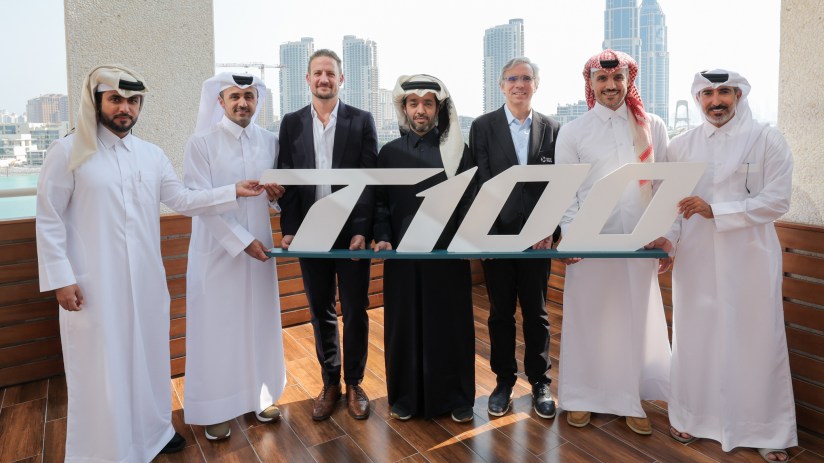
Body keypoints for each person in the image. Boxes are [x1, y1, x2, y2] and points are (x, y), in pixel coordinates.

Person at [35, 65, 263, 462]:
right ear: (97, 102)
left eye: (133, 101)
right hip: (94, 285)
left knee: (149, 358)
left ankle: (154, 433)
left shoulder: (151, 155)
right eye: (116, 99)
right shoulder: (68, 152)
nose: (125, 108)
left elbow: (184, 200)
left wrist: (233, 190)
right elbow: (49, 218)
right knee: (103, 367)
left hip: (144, 282)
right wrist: (61, 278)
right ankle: (107, 448)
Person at [652, 70, 796, 462]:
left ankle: (766, 430)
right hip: (697, 260)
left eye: (725, 92)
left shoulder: (767, 139)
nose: (716, 101)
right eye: (708, 93)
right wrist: (668, 240)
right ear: (698, 98)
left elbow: (778, 200)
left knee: (755, 340)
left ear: (739, 96)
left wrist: (716, 210)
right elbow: (672, 206)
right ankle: (692, 417)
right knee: (696, 337)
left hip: (750, 258)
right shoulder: (681, 146)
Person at [554, 50, 671, 435]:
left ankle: (630, 399)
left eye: (618, 78)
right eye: (602, 79)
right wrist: (573, 238)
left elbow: (664, 184)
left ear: (628, 81)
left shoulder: (652, 125)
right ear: (590, 83)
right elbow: (566, 192)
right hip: (590, 243)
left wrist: (664, 234)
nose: (610, 85)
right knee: (589, 320)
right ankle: (582, 398)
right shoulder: (574, 131)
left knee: (633, 321)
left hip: (640, 241)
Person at [182, 73, 287, 440]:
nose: (243, 103)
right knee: (218, 330)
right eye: (235, 97)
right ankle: (216, 409)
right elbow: (197, 200)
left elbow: (274, 201)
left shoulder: (270, 141)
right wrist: (241, 241)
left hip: (261, 250)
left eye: (249, 96)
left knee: (259, 324)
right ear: (220, 101)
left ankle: (261, 396)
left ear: (257, 101)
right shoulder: (201, 143)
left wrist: (276, 197)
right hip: (217, 252)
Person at [277, 49, 378, 421]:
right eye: (317, 73)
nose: (324, 79)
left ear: (341, 79)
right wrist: (291, 229)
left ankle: (355, 383)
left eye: (330, 73)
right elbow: (287, 179)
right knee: (320, 310)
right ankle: (330, 382)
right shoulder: (291, 123)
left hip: (350, 234)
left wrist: (361, 231)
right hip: (310, 232)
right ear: (308, 79)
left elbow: (368, 181)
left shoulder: (361, 120)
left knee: (355, 310)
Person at [374, 74, 476, 423]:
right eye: (414, 103)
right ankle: (405, 397)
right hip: (401, 258)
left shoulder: (458, 152)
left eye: (428, 103)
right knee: (403, 326)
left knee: (452, 326)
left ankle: (457, 397)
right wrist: (382, 236)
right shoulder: (388, 154)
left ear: (438, 109)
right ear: (404, 108)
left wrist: (466, 239)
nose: (421, 110)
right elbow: (380, 203)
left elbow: (469, 200)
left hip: (448, 257)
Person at [470, 57, 560, 419]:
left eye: (526, 78)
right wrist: (485, 235)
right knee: (500, 314)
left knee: (537, 314)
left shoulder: (552, 128)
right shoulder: (482, 126)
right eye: (512, 79)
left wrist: (550, 229)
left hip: (538, 240)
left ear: (536, 84)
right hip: (497, 237)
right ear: (501, 85)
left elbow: (558, 184)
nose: (519, 84)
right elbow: (479, 181)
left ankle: (540, 382)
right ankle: (503, 381)